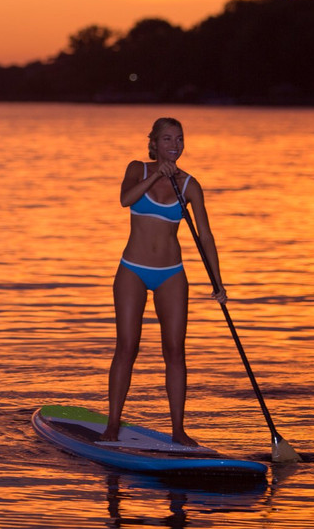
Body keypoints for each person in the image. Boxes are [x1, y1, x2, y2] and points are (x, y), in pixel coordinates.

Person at [101, 117, 227, 447]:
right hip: (133, 269)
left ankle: (178, 431)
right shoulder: (138, 169)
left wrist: (218, 281)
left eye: (179, 139)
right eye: (167, 139)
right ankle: (112, 425)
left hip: (171, 273)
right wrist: (158, 172)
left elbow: (206, 236)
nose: (175, 145)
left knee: (175, 351)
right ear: (154, 143)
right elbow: (125, 199)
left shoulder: (189, 186)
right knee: (127, 346)